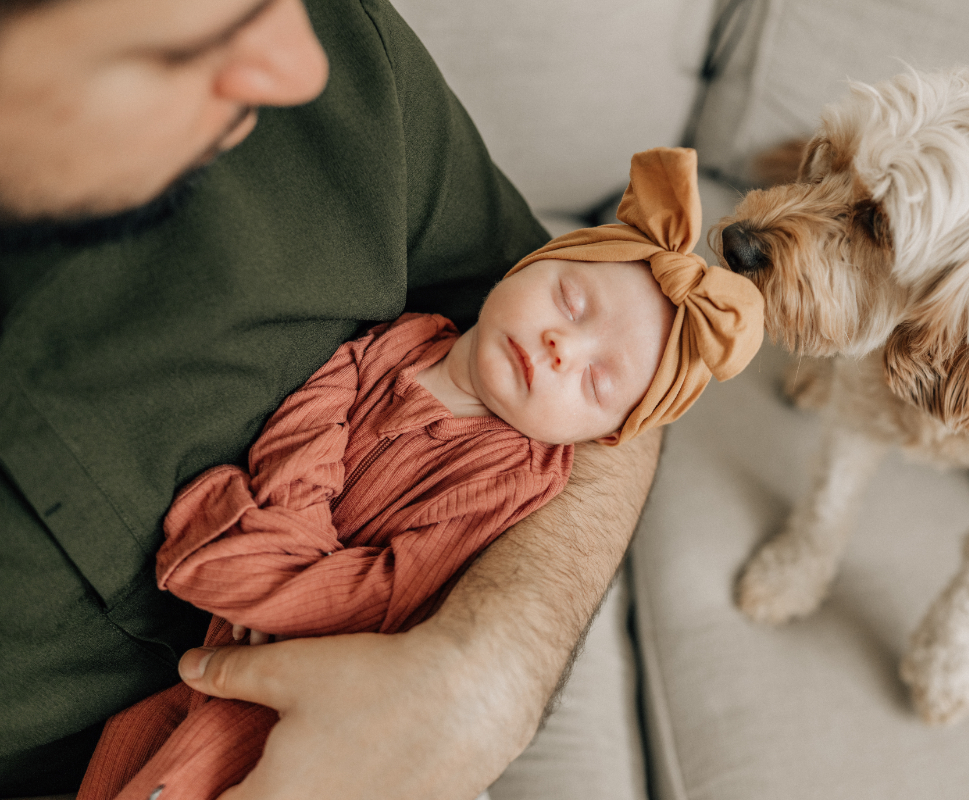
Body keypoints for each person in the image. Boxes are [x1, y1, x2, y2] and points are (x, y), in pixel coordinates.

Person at [0, 2, 691, 799]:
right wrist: (274, 535)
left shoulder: (339, 56)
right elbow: (329, 410)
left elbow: (636, 408)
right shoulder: (413, 351)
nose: (302, 68)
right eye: (200, 36)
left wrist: (493, 670)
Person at [76, 147, 765, 800]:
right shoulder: (404, 338)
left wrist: (277, 588)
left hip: (318, 683)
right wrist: (290, 533)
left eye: (596, 380)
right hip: (230, 623)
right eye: (570, 302)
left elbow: (390, 588)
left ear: (605, 436)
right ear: (522, 266)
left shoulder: (515, 477)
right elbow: (308, 421)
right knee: (126, 747)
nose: (562, 346)